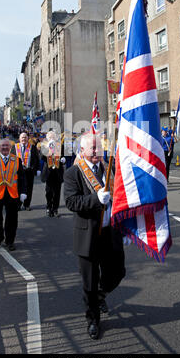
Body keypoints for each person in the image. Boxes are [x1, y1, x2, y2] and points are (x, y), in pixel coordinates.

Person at [64, 132, 125, 340]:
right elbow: (72, 202)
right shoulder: (73, 173)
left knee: (117, 272)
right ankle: (93, 320)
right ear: (82, 150)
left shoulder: (110, 168)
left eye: (98, 147)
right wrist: (95, 199)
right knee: (89, 283)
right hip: (88, 235)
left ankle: (101, 294)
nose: (96, 151)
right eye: (91, 148)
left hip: (110, 232)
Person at [40, 131, 65, 217]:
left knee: (57, 192)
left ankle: (55, 208)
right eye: (50, 137)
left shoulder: (60, 146)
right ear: (47, 138)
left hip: (58, 172)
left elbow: (65, 155)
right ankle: (48, 207)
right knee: (48, 192)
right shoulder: (44, 146)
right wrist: (48, 148)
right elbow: (42, 157)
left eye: (53, 137)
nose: (52, 139)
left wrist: (63, 159)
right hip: (48, 172)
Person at [13, 132, 40, 210]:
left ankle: (26, 204)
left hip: (29, 171)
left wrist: (37, 169)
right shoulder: (14, 147)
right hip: (18, 172)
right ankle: (18, 204)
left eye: (25, 137)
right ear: (19, 139)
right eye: (22, 137)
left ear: (28, 138)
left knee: (29, 188)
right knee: (18, 188)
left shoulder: (32, 147)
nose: (24, 139)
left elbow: (36, 159)